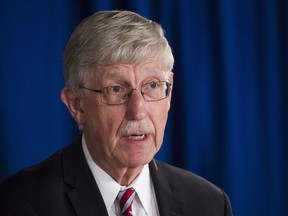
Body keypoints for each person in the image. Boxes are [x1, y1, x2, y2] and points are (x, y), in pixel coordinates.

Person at [0, 10, 233, 216]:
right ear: (76, 105)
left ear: (169, 91)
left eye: (152, 86)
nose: (138, 111)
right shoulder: (19, 203)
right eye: (116, 89)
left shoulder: (210, 203)